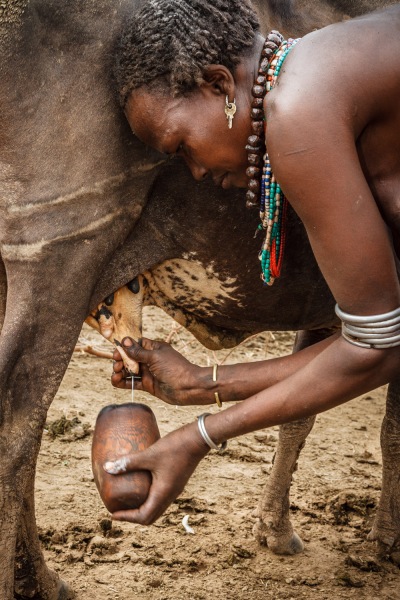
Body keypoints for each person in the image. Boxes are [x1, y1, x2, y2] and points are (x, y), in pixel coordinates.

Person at [104, 0, 400, 526]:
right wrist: (201, 382)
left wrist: (199, 435)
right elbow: (380, 339)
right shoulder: (323, 72)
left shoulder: (298, 111)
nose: (194, 171)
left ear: (219, 85)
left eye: (182, 147)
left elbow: (376, 349)